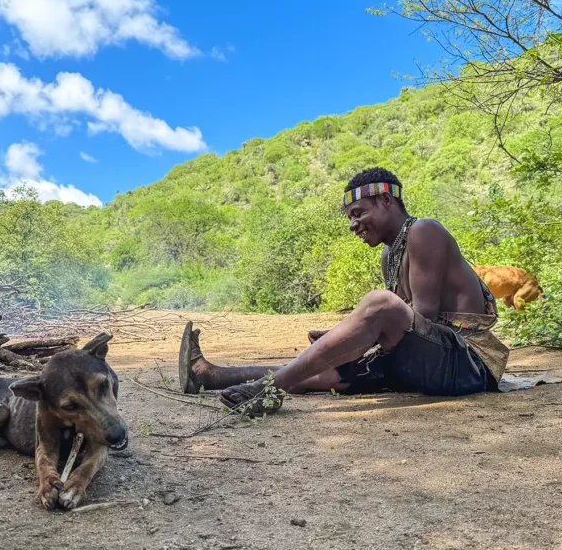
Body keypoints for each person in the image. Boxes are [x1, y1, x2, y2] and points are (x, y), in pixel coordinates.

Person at [177, 168, 510, 413]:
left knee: (379, 304)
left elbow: (418, 318)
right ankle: (208, 376)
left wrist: (361, 335)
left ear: (386, 200)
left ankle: (265, 390)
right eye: (350, 218)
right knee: (322, 371)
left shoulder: (424, 232)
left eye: (358, 213)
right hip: (430, 363)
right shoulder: (388, 254)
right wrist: (344, 339)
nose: (353, 225)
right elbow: (406, 328)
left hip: (468, 365)